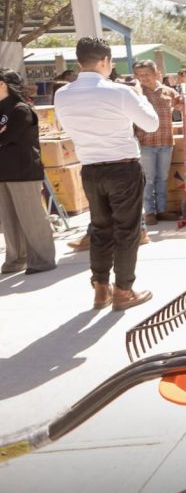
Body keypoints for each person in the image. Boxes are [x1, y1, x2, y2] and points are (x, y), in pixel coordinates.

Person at [55, 37, 159, 309]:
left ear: (80, 61)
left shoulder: (62, 94)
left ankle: (101, 289)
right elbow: (151, 124)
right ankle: (124, 290)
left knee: (101, 230)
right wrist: (139, 96)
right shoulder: (120, 92)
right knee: (127, 231)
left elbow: (66, 127)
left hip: (90, 169)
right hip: (123, 167)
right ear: (105, 61)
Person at [0, 69, 56, 275]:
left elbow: (6, 138)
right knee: (9, 220)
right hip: (3, 171)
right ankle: (16, 260)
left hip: (23, 171)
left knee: (31, 218)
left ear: (2, 84)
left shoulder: (21, 109)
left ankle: (42, 259)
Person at [132, 60, 183, 225]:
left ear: (156, 74)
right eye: (139, 75)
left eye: (146, 74)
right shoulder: (137, 94)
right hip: (145, 143)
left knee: (162, 178)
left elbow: (182, 103)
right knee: (148, 179)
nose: (143, 78)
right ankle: (149, 212)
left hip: (166, 142)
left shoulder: (168, 92)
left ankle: (161, 210)